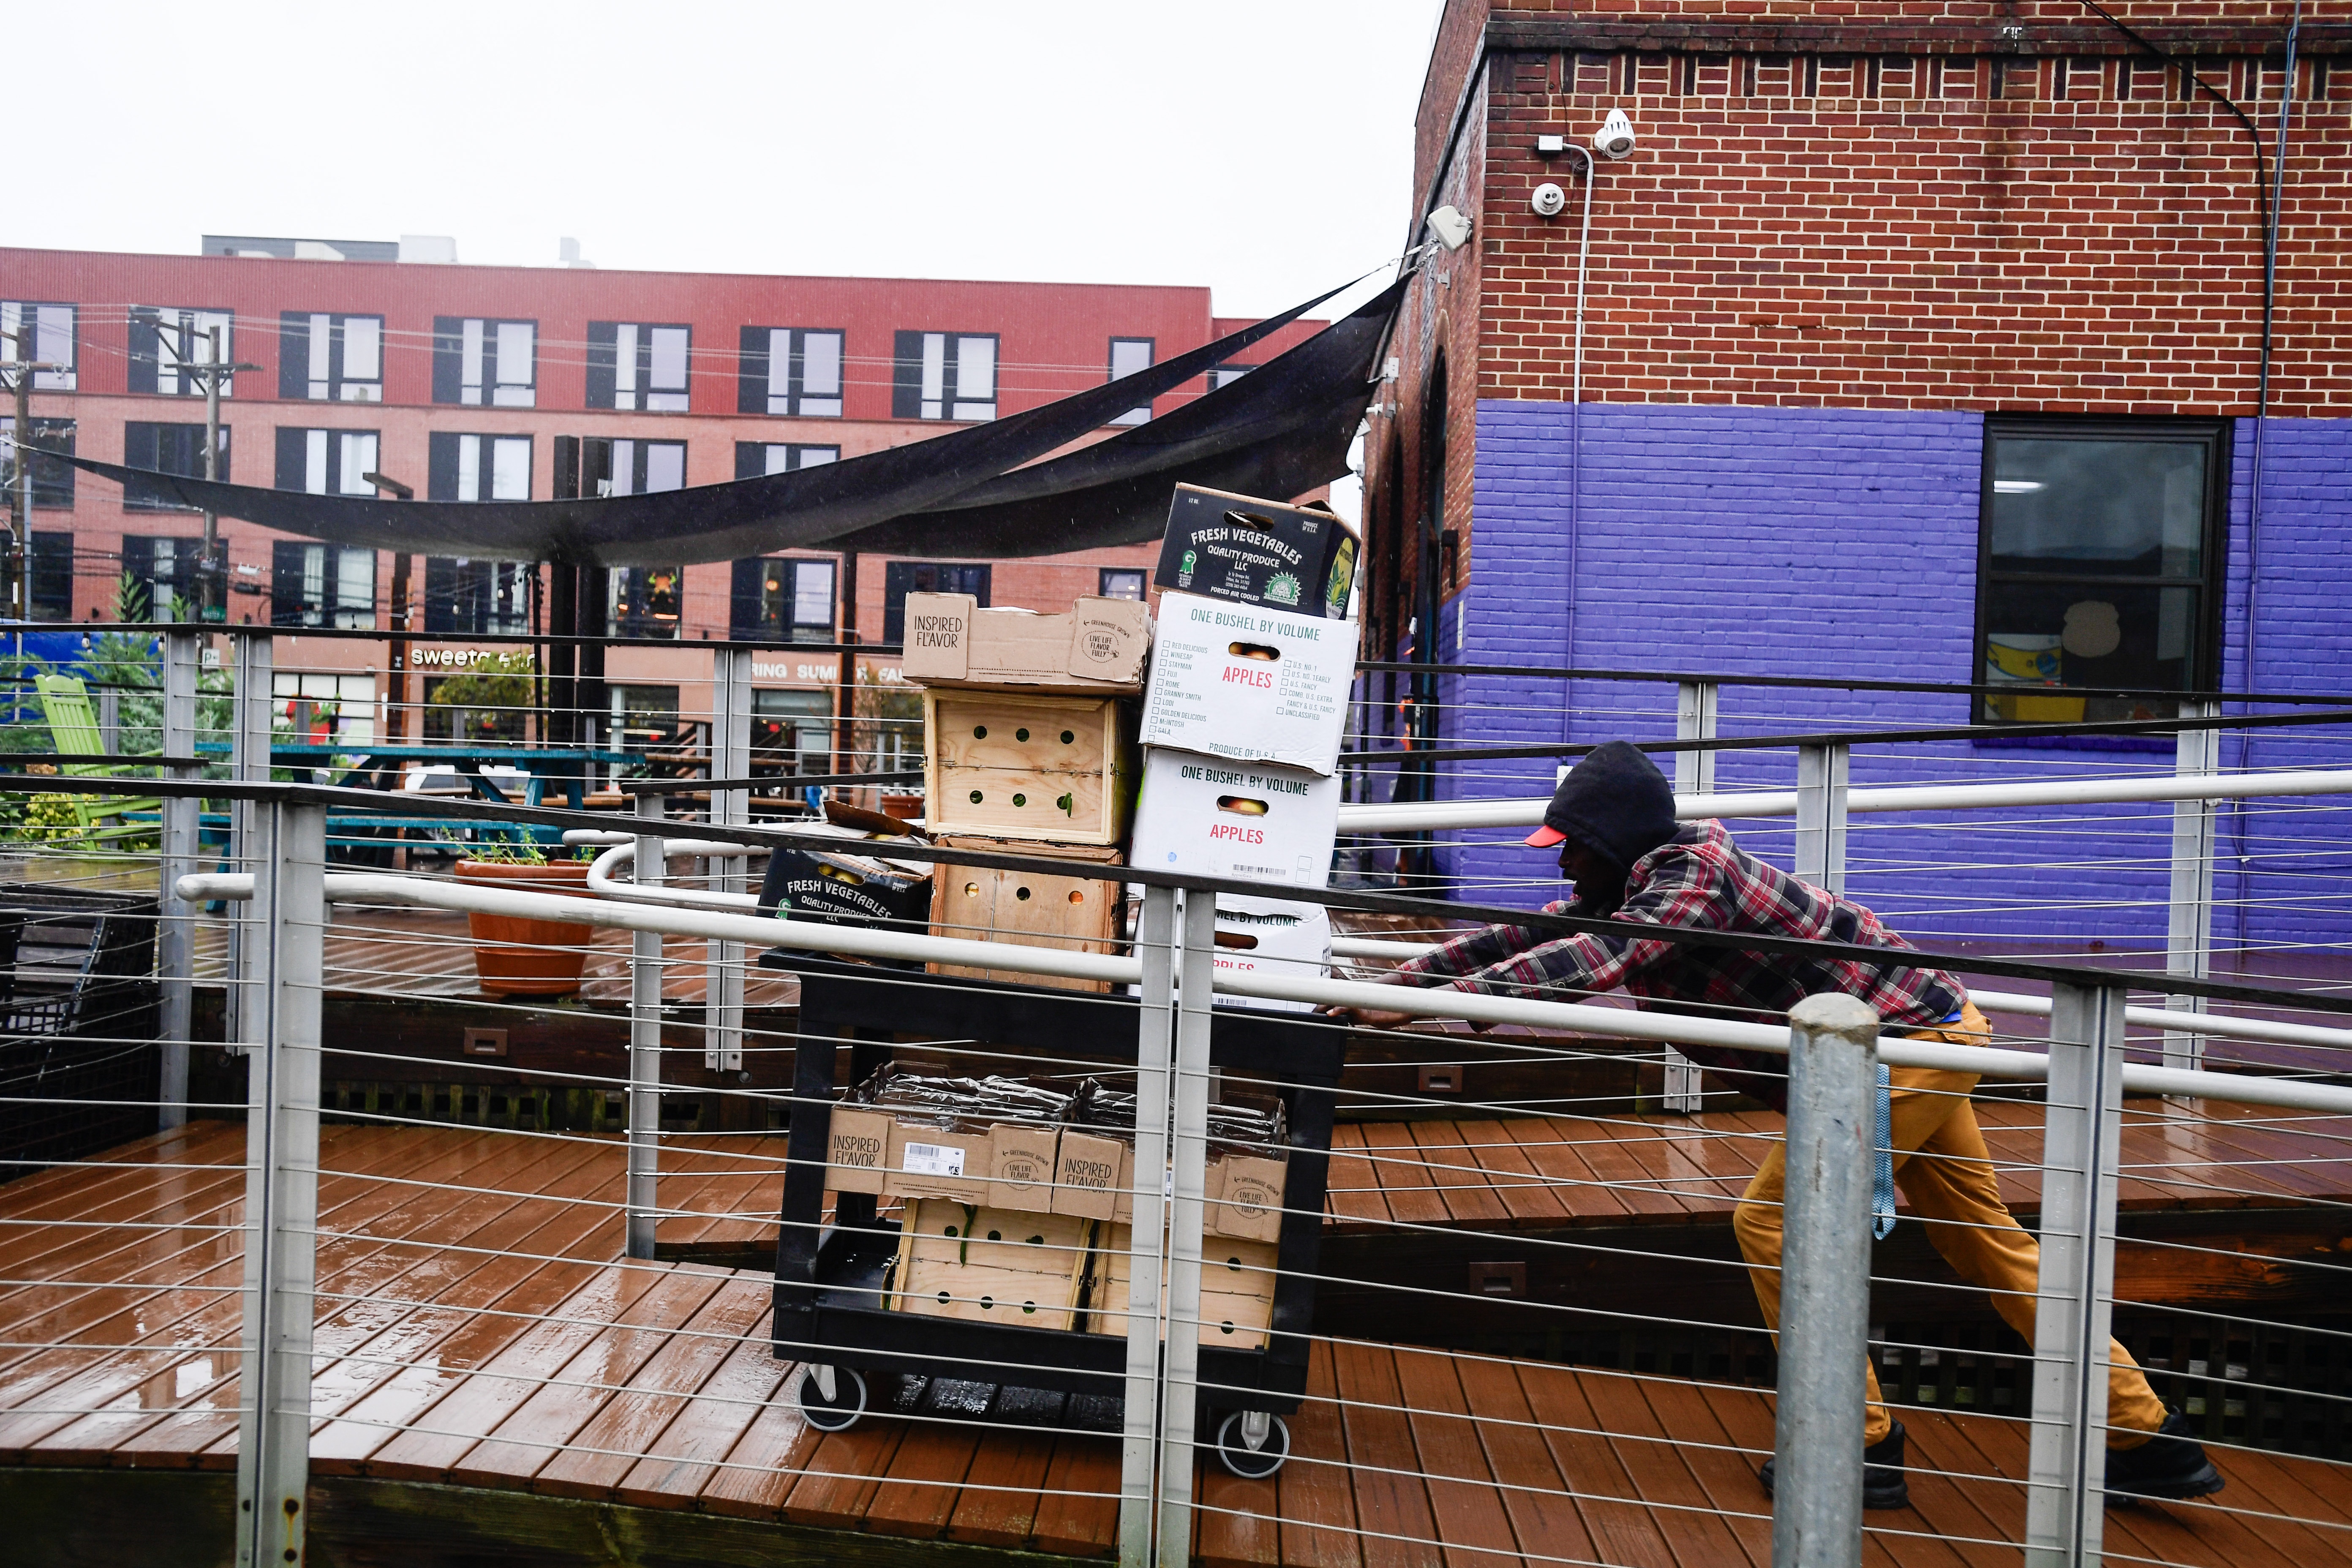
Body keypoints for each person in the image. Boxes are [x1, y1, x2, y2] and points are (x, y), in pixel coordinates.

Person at [1329, 740, 2223, 1508]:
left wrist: (1428, 1008)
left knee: (1773, 1220)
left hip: (1901, 1046)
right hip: (1923, 1034)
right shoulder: (1638, 885)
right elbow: (1515, 937)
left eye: (1571, 849)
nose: (1560, 867)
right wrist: (1388, 989)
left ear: (1613, 843)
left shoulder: (1691, 879)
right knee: (1987, 1241)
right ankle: (2151, 1436)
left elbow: (1603, 959)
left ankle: (1854, 1446)